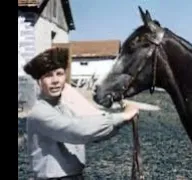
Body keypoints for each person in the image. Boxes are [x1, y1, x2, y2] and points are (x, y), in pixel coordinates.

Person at [23, 47, 139, 180]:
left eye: (59, 74)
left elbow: (93, 129)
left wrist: (123, 119)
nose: (55, 80)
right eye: (48, 76)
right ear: (39, 81)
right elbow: (76, 130)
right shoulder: (39, 113)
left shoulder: (66, 107)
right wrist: (123, 116)